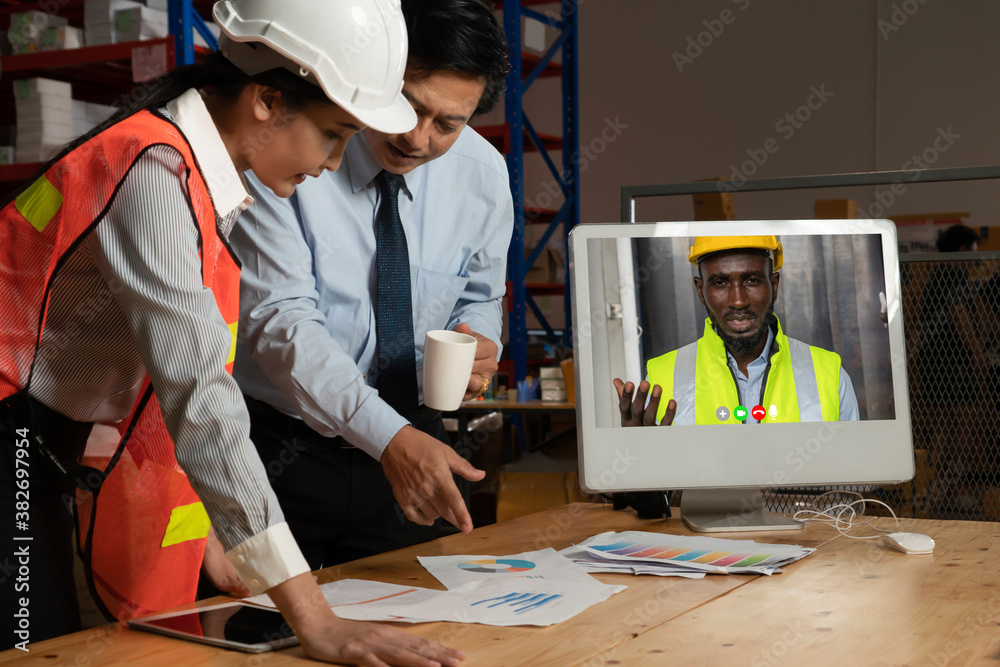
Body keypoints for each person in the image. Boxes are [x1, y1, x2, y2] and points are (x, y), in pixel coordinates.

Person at [0, 1, 464, 663]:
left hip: (46, 445)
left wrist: (224, 534)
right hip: (15, 439)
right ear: (268, 100)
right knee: (28, 645)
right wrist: (314, 617)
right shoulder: (154, 175)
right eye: (333, 134)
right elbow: (202, 401)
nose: (334, 163)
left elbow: (151, 383)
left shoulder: (193, 175)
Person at [230, 0, 512, 570]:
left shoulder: (482, 175)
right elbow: (282, 319)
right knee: (259, 639)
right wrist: (388, 439)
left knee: (405, 631)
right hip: (283, 449)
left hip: (416, 445)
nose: (419, 138)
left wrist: (479, 340)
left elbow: (481, 294)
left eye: (449, 124)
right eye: (409, 107)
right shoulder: (292, 150)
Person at [615, 236, 860, 426]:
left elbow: (855, 477)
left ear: (773, 285)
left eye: (752, 280)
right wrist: (638, 463)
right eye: (720, 283)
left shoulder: (829, 374)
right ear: (701, 291)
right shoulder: (660, 378)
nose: (738, 301)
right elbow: (659, 484)